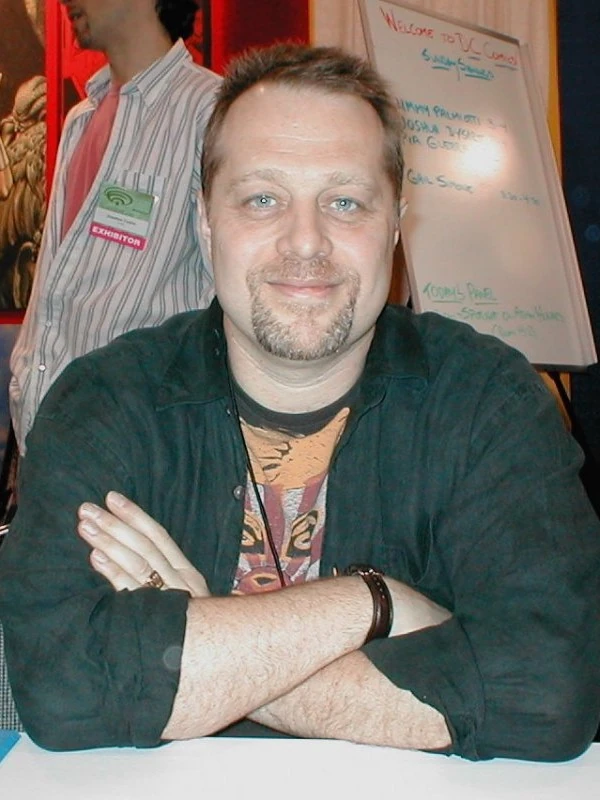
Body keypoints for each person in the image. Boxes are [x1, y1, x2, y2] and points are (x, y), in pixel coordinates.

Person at [0, 43, 599, 761]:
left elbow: (549, 696)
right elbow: (62, 688)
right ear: (205, 221)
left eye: (345, 202)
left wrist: (205, 637)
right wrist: (373, 603)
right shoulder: (103, 403)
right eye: (263, 199)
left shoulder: (490, 403)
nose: (306, 242)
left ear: (396, 223)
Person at [8, 0, 219, 453]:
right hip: (48, 435)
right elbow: (55, 282)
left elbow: (230, 298)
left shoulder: (210, 111)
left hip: (144, 446)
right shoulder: (80, 119)